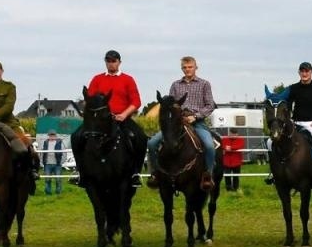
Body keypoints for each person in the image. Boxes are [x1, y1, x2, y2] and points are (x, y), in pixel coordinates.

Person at [147, 55, 218, 188]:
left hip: (197, 122)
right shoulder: (175, 85)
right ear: (182, 69)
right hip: (176, 123)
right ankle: (155, 173)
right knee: (151, 143)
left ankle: (208, 175)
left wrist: (195, 116)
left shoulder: (204, 84)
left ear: (196, 67)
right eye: (184, 68)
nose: (187, 70)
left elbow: (210, 105)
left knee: (209, 145)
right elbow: (170, 104)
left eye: (190, 67)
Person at [87, 50, 145, 186]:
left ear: (119, 62)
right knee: (77, 136)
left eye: (114, 61)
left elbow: (136, 101)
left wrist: (124, 114)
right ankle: (80, 171)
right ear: (105, 62)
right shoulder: (97, 79)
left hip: (122, 118)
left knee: (141, 138)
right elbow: (90, 98)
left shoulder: (128, 79)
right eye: (108, 61)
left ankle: (136, 172)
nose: (111, 64)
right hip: (100, 120)